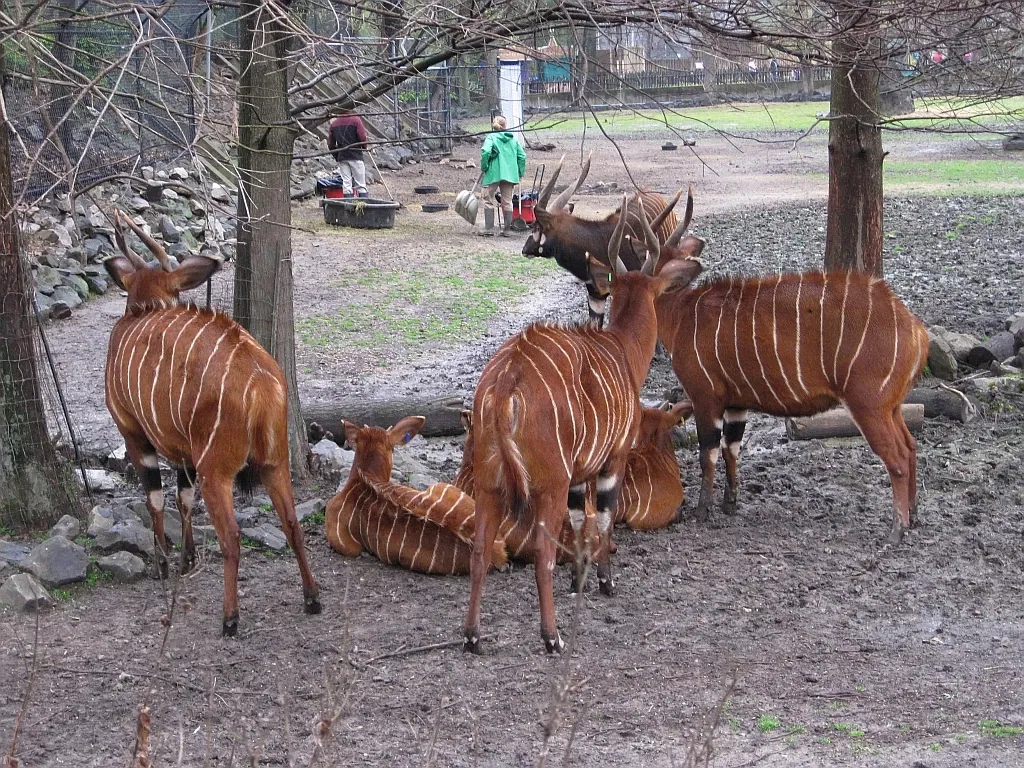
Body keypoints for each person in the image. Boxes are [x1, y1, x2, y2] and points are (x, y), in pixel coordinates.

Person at [479, 115, 526, 237]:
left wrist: (484, 166)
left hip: (493, 173)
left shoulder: (491, 137)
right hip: (509, 174)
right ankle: (507, 230)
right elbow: (522, 157)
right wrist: (520, 172)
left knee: (487, 198)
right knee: (507, 201)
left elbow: (486, 152)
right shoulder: (513, 140)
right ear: (505, 126)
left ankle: (489, 228)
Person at [328, 112, 369, 198]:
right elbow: (362, 137)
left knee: (346, 183)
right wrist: (364, 147)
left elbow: (331, 145)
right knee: (360, 183)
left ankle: (348, 207)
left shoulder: (334, 124)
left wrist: (337, 156)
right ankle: (363, 206)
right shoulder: (356, 120)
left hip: (342, 157)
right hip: (355, 155)